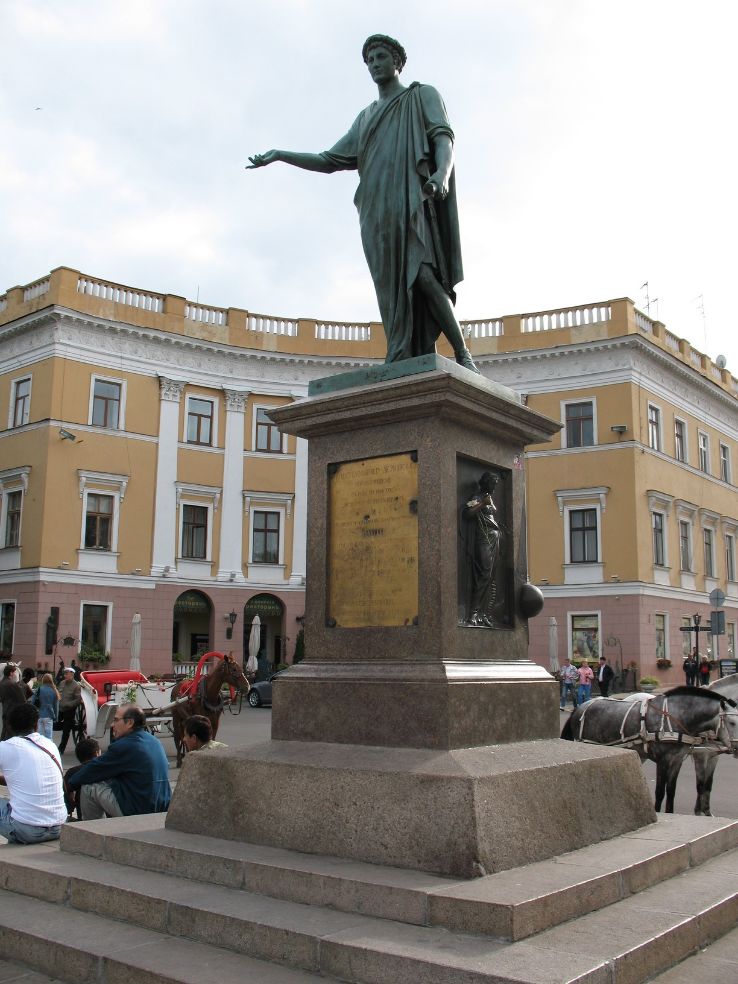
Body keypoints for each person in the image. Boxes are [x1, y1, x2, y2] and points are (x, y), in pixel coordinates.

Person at [248, 34, 479, 373]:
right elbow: (329, 160)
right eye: (369, 60)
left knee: (424, 274)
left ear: (397, 61)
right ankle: (400, 352)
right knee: (388, 289)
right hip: (376, 213)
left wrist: (442, 174)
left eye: (380, 57)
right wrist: (281, 155)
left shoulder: (421, 95)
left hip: (412, 200)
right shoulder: (366, 117)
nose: (374, 64)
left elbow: (443, 138)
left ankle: (463, 355)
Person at [66, 705, 171, 820]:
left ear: (129, 723)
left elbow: (94, 770)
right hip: (161, 807)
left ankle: (94, 829)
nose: (112, 725)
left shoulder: (125, 746)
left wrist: (69, 786)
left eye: (116, 720)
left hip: (139, 809)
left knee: (89, 787)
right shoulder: (154, 741)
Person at [0, 703, 67, 844]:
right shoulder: (50, 745)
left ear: (8, 727)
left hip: (28, 831)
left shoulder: (5, 747)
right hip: (59, 826)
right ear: (36, 725)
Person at [462, 472, 502, 627]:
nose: (494, 488)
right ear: (485, 483)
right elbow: (467, 513)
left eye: (496, 485)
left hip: (494, 538)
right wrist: (482, 504)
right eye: (492, 484)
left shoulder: (488, 497)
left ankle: (484, 613)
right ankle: (473, 612)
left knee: (491, 577)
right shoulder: (477, 497)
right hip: (483, 539)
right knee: (484, 574)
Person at [63, 736, 100, 821]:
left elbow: (67, 799)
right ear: (97, 753)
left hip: (82, 818)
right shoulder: (105, 769)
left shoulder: (72, 772)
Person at [57, 666, 82, 754]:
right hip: (60, 708)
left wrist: (69, 704)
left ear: (72, 675)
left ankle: (61, 749)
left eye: (67, 674)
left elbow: (78, 699)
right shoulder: (62, 683)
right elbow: (58, 693)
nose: (65, 676)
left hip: (69, 710)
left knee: (66, 731)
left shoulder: (76, 686)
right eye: (65, 674)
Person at [0, 664, 28, 741]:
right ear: (11, 673)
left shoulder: (1, 683)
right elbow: (23, 700)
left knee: (4, 731)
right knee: (12, 733)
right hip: (13, 711)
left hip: (5, 709)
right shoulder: (12, 684)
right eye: (14, 672)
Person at [33, 673, 59, 740]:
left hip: (39, 714)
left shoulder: (38, 689)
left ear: (43, 680)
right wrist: (56, 717)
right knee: (49, 737)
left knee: (39, 736)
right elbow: (55, 706)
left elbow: (33, 702)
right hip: (49, 714)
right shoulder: (54, 690)